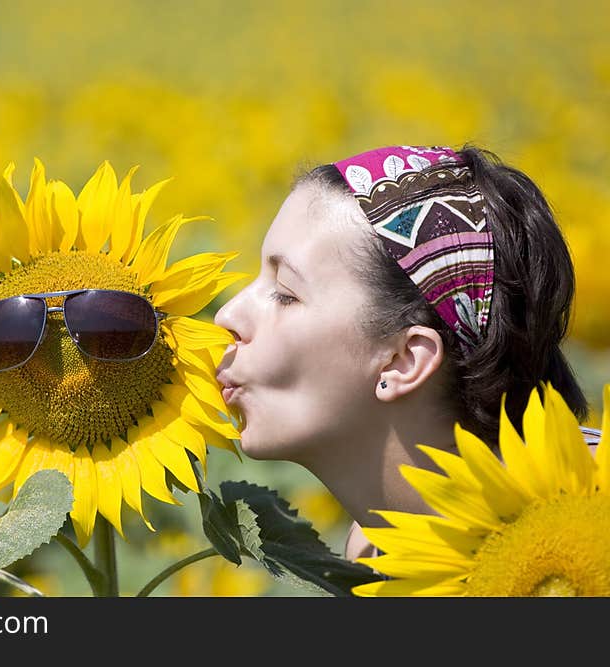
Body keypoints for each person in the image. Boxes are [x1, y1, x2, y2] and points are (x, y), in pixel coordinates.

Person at [213, 144, 597, 560]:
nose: (227, 316)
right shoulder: (375, 546)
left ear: (404, 361)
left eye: (286, 294)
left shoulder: (589, 532)